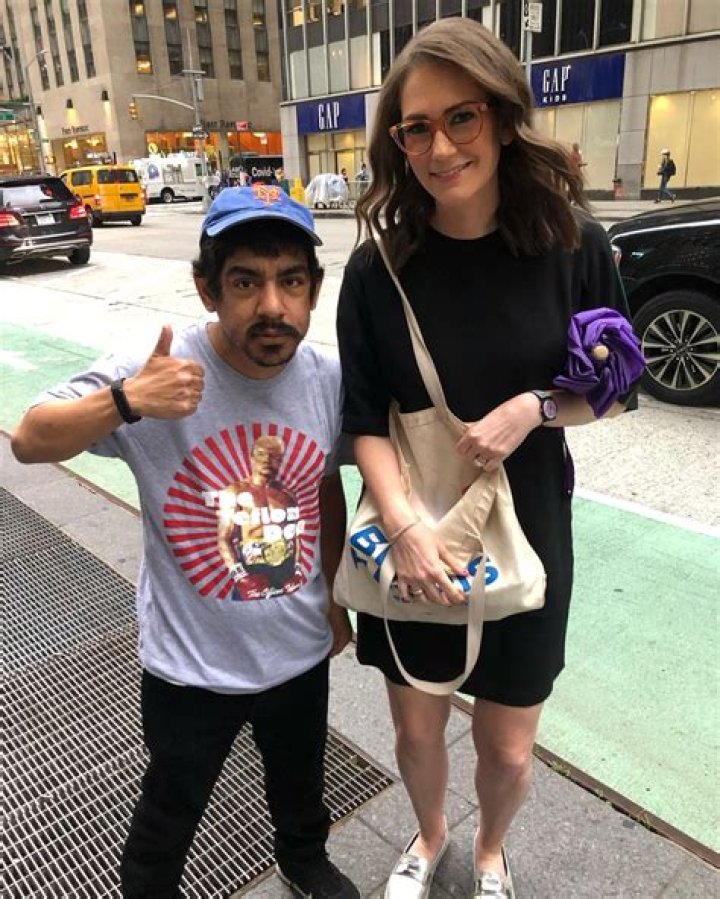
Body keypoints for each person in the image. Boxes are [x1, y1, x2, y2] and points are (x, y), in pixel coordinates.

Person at [336, 18, 638, 899]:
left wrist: (533, 408)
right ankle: (430, 836)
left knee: (507, 749)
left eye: (461, 117)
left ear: (503, 117)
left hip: (530, 526)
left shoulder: (576, 245)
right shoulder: (378, 268)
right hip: (411, 530)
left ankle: (492, 849)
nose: (441, 148)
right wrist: (404, 530)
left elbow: (617, 386)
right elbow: (361, 419)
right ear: (398, 142)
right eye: (416, 128)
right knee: (416, 731)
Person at [11, 184, 359, 899]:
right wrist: (126, 401)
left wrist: (335, 598)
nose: (272, 306)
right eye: (246, 282)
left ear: (314, 291)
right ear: (207, 289)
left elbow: (324, 486)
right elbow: (29, 439)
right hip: (191, 665)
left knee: (301, 778)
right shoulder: (157, 372)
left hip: (298, 649)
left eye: (291, 281)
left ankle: (303, 859)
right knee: (172, 804)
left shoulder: (325, 379)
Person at [217, 434, 305, 600]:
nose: (266, 460)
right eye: (261, 454)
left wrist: (298, 569)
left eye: (274, 456)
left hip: (286, 571)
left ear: (281, 461)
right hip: (251, 571)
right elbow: (224, 538)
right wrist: (240, 576)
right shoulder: (234, 492)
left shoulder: (288, 495)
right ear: (251, 457)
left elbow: (296, 536)